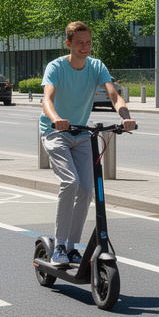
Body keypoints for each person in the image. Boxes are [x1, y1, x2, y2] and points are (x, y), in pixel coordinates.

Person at [40, 21, 136, 265]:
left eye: (88, 42)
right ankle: (59, 245)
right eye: (80, 43)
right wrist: (56, 119)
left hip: (81, 133)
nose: (85, 47)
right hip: (55, 132)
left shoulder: (96, 66)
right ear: (69, 44)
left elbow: (113, 94)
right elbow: (47, 99)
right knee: (70, 182)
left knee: (86, 189)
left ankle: (71, 246)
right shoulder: (57, 67)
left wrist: (125, 117)